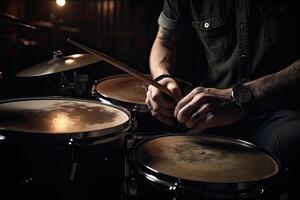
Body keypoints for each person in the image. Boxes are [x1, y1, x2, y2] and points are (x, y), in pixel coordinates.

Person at [145, 1, 300, 199]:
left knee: (288, 145)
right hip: (213, 111)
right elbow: (164, 42)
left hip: (280, 108)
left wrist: (240, 97)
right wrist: (162, 77)